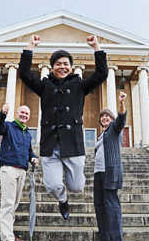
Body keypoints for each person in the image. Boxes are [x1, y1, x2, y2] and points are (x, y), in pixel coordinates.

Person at [19, 35, 108, 221]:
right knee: (52, 185)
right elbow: (24, 74)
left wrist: (96, 47)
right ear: (52, 67)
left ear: (71, 66)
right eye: (58, 63)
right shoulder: (44, 85)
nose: (62, 67)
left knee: (77, 186)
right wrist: (31, 46)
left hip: (73, 144)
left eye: (66, 63)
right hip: (50, 145)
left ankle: (70, 188)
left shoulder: (80, 85)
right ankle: (63, 199)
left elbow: (101, 74)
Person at [0, 103, 39, 241]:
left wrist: (33, 158)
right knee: (7, 204)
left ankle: (8, 233)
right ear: (16, 113)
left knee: (14, 203)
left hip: (22, 170)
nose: (24, 115)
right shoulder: (8, 126)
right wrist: (2, 113)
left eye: (27, 114)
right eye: (22, 113)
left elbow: (29, 151)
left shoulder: (27, 133)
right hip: (8, 167)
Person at [94, 91, 127, 241]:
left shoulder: (114, 129)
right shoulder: (102, 134)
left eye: (107, 116)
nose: (104, 118)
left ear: (112, 119)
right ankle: (105, 237)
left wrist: (121, 104)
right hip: (98, 173)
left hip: (110, 172)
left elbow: (121, 120)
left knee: (111, 205)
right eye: (102, 116)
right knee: (99, 205)